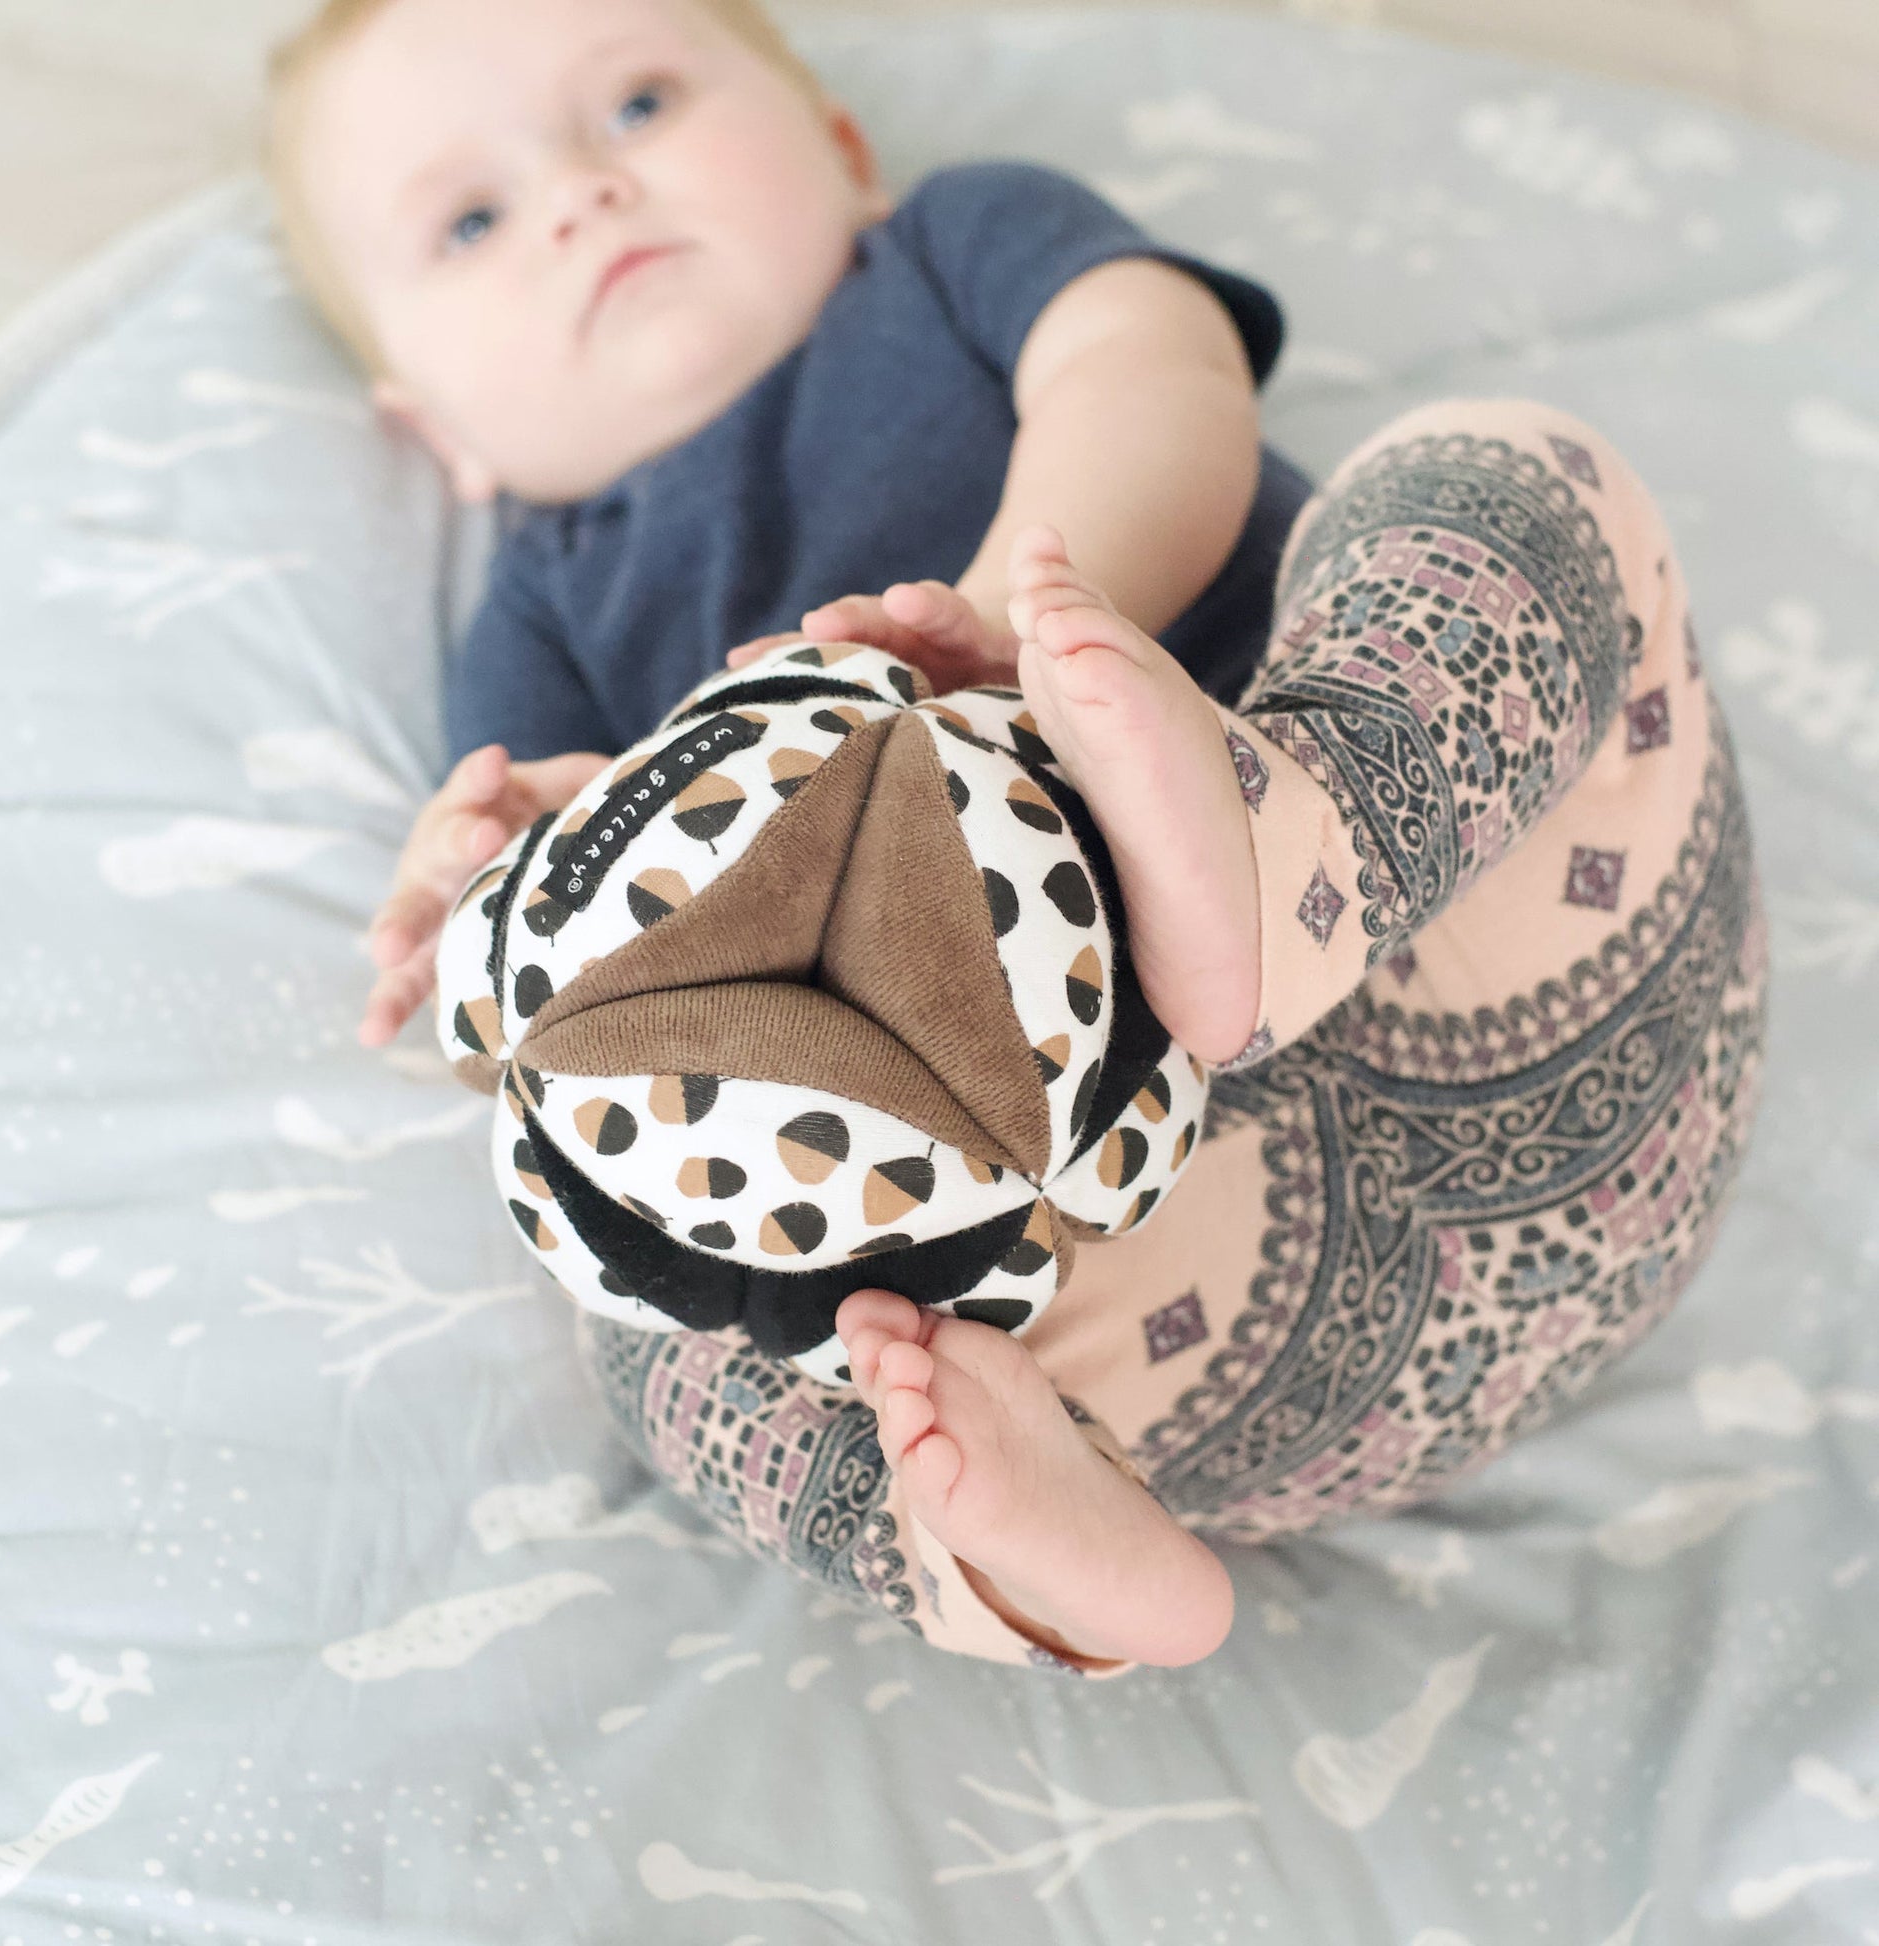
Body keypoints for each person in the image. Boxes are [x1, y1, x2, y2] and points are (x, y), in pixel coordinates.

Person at [265, 0, 1767, 1675]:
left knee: (1501, 476)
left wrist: (1005, 637)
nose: (579, 195)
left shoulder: (949, 251)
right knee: (627, 1280)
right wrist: (483, 877)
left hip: (1519, 960)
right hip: (1110, 1288)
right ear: (434, 428)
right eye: (470, 220)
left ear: (843, 151)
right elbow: (586, 988)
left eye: (635, 103)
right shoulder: (539, 617)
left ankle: (1278, 852)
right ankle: (996, 1547)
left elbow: (1152, 374)